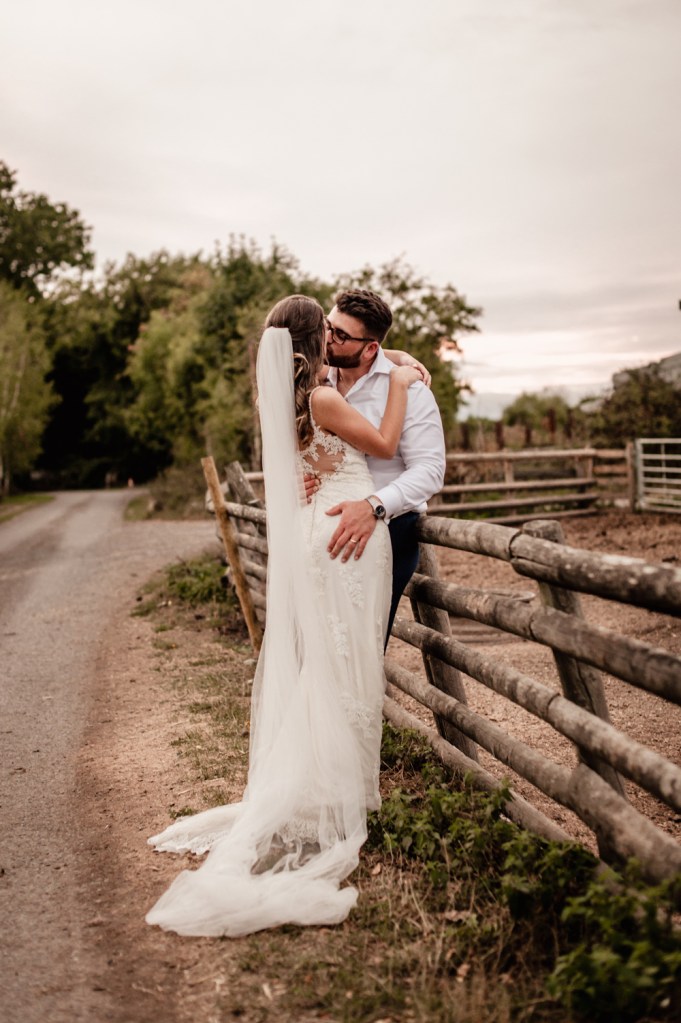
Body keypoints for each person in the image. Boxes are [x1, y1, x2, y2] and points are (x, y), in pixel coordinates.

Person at [145, 295, 421, 937]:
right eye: (326, 328)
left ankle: (330, 789)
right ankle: (345, 799)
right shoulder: (324, 399)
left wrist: (395, 358)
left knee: (329, 662)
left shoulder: (291, 400)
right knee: (347, 662)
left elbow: (308, 463)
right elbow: (381, 441)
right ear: (314, 340)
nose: (332, 334)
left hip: (315, 532)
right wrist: (402, 381)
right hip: (346, 534)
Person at [316, 289, 446, 641]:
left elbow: (430, 470)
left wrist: (374, 505)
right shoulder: (318, 376)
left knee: (361, 645)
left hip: (387, 529)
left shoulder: (410, 389)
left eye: (340, 335)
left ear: (370, 348)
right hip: (320, 525)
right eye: (329, 327)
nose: (328, 338)